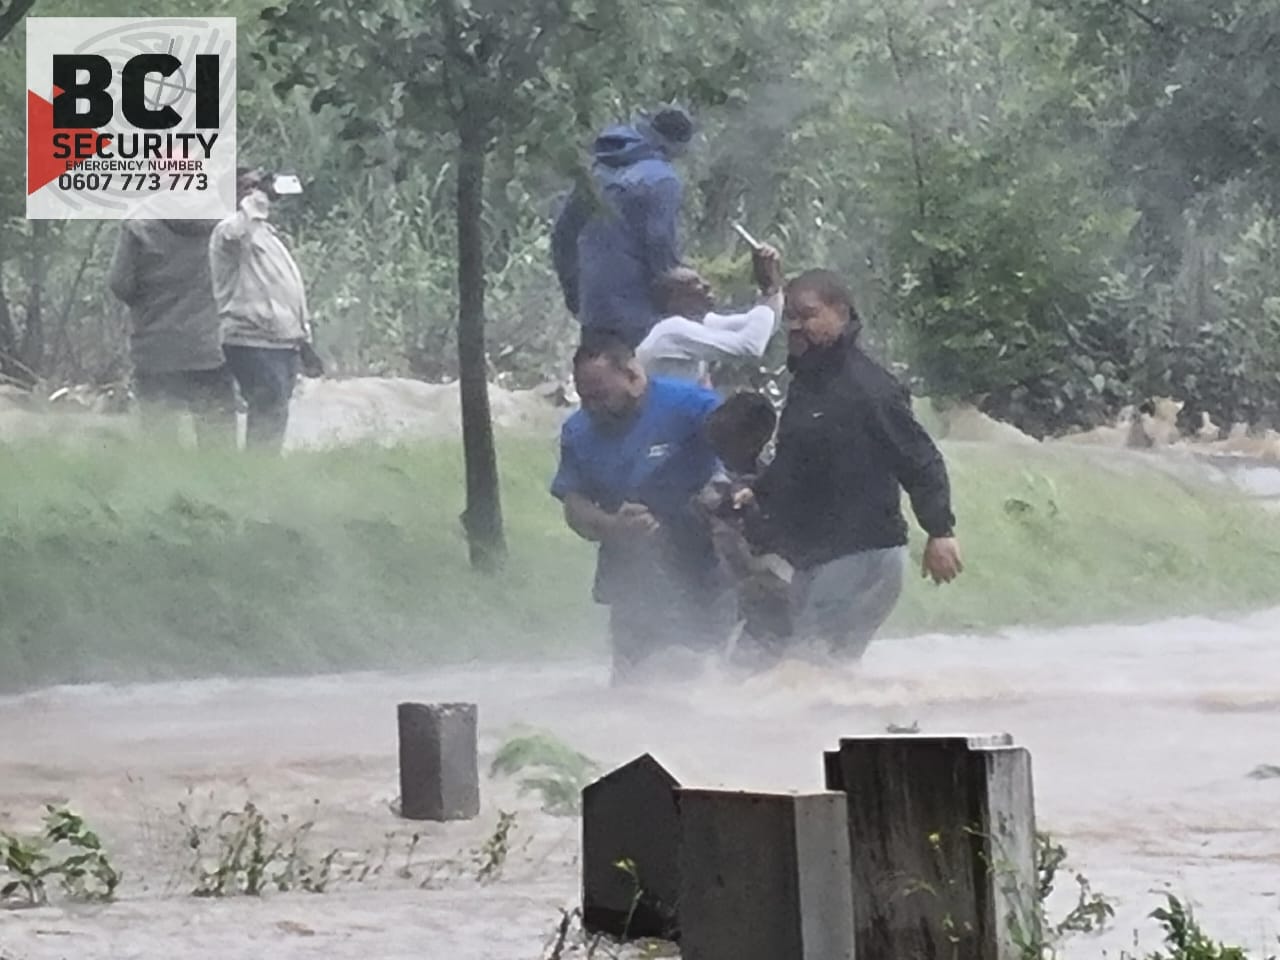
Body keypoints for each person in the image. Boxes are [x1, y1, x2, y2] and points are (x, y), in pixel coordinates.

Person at [749, 269, 963, 662]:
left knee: (807, 673)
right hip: (819, 558)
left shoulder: (867, 388)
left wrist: (940, 530)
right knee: (806, 674)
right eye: (790, 317)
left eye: (808, 314)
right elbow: (796, 461)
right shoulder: (808, 384)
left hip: (864, 555)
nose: (796, 326)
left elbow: (919, 457)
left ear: (841, 313)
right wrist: (758, 491)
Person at [550, 330, 732, 685]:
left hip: (702, 564)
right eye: (584, 398)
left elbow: (739, 453)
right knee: (633, 688)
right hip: (629, 576)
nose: (591, 407)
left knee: (705, 680)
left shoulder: (692, 405)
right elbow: (574, 504)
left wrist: (720, 492)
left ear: (633, 376)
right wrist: (611, 525)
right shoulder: (577, 432)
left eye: (600, 396)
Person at [551, 107, 694, 348]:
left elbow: (563, 233)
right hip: (639, 312)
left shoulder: (600, 169)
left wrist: (574, 293)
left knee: (600, 379)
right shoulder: (663, 180)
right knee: (638, 381)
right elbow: (660, 243)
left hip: (594, 305)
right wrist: (677, 294)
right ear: (679, 145)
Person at [209, 166, 322, 454]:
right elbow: (237, 232)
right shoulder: (227, 232)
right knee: (268, 409)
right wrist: (256, 197)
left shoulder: (266, 236)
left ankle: (262, 476)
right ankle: (255, 478)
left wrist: (304, 340)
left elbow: (287, 290)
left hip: (281, 341)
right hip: (251, 339)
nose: (257, 193)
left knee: (275, 414)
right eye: (247, 187)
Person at [107, 217, 236, 448]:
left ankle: (168, 484)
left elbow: (120, 284)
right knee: (218, 441)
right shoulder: (223, 225)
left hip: (155, 347)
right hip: (208, 347)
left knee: (160, 446)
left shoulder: (138, 227)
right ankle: (224, 483)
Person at [696, 391, 793, 667]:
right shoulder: (722, 482)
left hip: (769, 590)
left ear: (752, 441)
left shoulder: (766, 481)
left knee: (751, 667)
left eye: (724, 444)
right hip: (739, 589)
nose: (718, 450)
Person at [635, 242, 784, 385]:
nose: (706, 285)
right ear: (674, 300)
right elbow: (750, 346)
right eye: (694, 284)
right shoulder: (671, 331)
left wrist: (773, 284)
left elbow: (766, 328)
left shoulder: (703, 323)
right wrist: (769, 289)